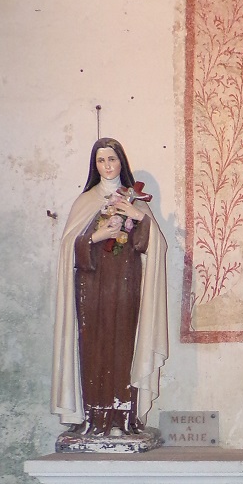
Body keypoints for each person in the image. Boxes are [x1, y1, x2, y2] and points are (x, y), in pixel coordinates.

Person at [51, 137, 168, 437]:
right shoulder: (85, 201)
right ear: (95, 165)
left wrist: (137, 216)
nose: (107, 165)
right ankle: (94, 418)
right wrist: (98, 236)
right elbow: (69, 248)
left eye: (112, 159)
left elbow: (154, 244)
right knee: (93, 347)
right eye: (101, 160)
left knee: (122, 345)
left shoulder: (133, 199)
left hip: (126, 285)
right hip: (91, 289)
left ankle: (123, 418)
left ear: (121, 162)